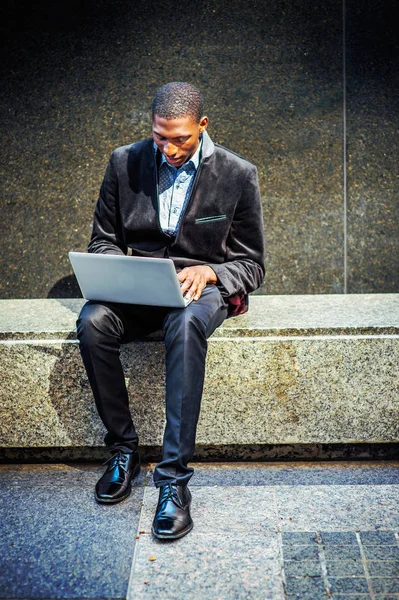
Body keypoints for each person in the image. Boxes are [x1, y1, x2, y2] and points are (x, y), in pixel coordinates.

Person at [76, 82, 265, 540]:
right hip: (139, 288)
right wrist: (122, 270)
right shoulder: (125, 161)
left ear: (202, 126)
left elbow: (252, 264)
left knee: (185, 323)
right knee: (91, 321)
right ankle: (123, 450)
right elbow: (102, 240)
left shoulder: (238, 173)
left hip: (200, 291)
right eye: (160, 137)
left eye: (180, 138)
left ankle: (174, 480)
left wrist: (212, 273)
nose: (170, 148)